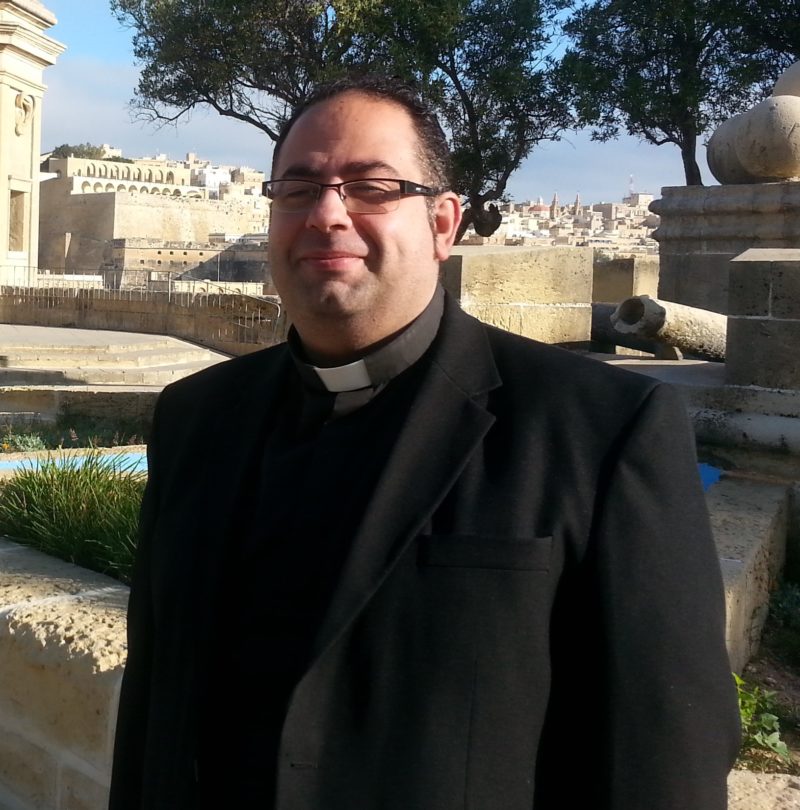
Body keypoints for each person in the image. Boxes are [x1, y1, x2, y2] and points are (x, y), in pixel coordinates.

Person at [109, 75, 740, 810]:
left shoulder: (601, 430)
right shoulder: (195, 417)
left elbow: (662, 759)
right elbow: (153, 701)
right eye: (298, 189)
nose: (326, 214)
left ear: (443, 225)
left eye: (371, 188)